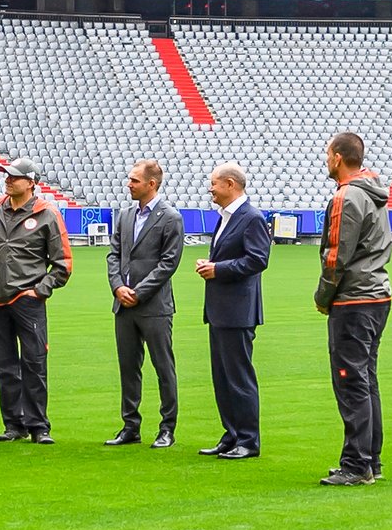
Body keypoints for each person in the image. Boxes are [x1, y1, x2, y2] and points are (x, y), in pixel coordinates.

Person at [0, 157, 71, 444]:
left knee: (34, 363)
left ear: (31, 183)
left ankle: (39, 426)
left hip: (27, 301)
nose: (8, 180)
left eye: (15, 177)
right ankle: (14, 424)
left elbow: (63, 263)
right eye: (7, 175)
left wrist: (39, 290)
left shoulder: (47, 214)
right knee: (5, 366)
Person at [315, 132, 392, 487]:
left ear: (337, 157)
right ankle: (370, 459)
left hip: (355, 299)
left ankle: (356, 464)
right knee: (366, 378)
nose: (326, 160)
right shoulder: (374, 192)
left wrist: (323, 296)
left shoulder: (347, 197)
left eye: (328, 154)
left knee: (350, 382)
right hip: (378, 294)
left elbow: (336, 255)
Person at [192, 162, 271, 459]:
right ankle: (232, 433)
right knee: (223, 378)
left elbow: (258, 260)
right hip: (221, 310)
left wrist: (218, 269)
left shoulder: (251, 218)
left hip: (238, 311)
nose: (210, 188)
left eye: (214, 183)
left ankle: (248, 440)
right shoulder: (226, 217)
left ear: (229, 184)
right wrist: (213, 265)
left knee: (239, 377)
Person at [105, 159, 183, 449]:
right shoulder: (125, 215)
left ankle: (167, 428)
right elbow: (114, 255)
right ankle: (130, 425)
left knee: (163, 367)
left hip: (154, 306)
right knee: (128, 367)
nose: (129, 184)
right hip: (124, 304)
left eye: (134, 180)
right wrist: (118, 287)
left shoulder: (170, 217)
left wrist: (138, 291)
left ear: (152, 184)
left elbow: (169, 263)